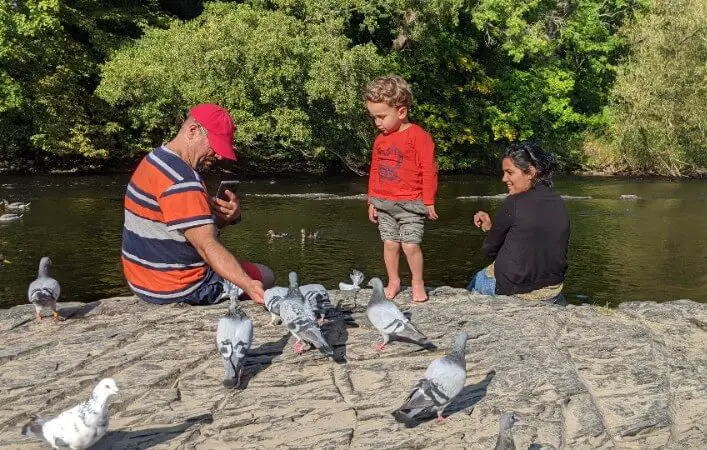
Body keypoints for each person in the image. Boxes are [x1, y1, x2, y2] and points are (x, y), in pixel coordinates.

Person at [121, 103, 274, 305]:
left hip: (141, 281)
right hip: (179, 288)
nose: (218, 155)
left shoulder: (154, 159)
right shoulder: (183, 181)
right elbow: (206, 246)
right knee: (266, 274)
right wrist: (249, 285)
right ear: (193, 131)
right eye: (215, 146)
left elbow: (180, 230)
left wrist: (223, 219)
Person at [467, 141, 570, 304]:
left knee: (478, 279)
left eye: (509, 172)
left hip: (516, 292)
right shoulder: (558, 201)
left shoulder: (514, 202)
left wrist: (491, 233)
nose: (504, 179)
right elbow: (532, 237)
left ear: (530, 172)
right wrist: (490, 228)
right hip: (552, 291)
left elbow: (489, 251)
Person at [365, 76, 438, 303]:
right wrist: (371, 200)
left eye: (381, 117)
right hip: (384, 203)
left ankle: (417, 282)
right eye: (374, 117)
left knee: (410, 245)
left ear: (402, 112)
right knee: (390, 244)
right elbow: (375, 168)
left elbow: (429, 169)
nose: (377, 122)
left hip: (410, 204)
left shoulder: (419, 136)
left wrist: (428, 201)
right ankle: (394, 280)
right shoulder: (380, 140)